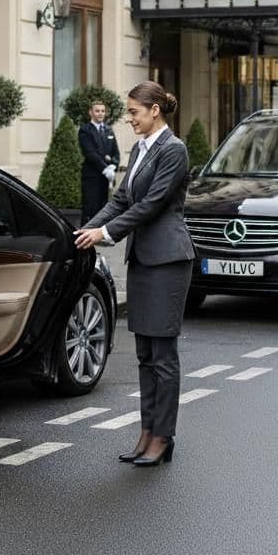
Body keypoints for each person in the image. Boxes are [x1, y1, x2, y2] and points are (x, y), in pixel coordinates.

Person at [73, 82, 193, 468]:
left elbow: (153, 204)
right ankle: (146, 432)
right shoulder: (141, 148)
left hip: (168, 260)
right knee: (144, 354)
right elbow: (123, 199)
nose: (129, 119)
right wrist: (85, 230)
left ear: (154, 110)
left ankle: (163, 436)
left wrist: (106, 234)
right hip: (144, 259)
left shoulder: (173, 150)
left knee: (163, 354)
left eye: (134, 112)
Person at [79, 100, 121, 224]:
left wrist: (113, 165)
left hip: (106, 177)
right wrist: (105, 168)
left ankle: (99, 236)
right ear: (90, 112)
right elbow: (90, 153)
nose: (100, 114)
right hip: (91, 176)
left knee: (104, 207)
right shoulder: (85, 130)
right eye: (97, 111)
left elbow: (116, 152)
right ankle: (84, 236)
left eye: (102, 111)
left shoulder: (108, 129)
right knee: (90, 207)